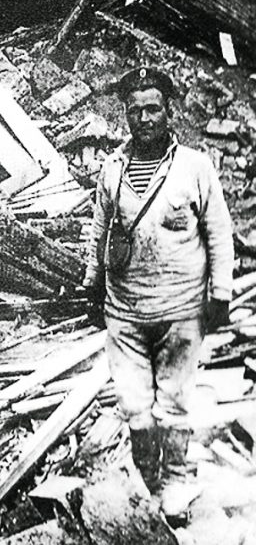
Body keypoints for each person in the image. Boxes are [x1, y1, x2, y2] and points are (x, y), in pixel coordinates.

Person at [83, 66, 234, 522]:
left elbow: (219, 232)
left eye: (153, 109)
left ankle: (178, 482)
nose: (144, 118)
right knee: (134, 404)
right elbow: (98, 232)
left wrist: (220, 293)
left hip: (181, 308)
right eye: (135, 110)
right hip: (125, 311)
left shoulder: (195, 167)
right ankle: (146, 488)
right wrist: (91, 284)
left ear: (169, 113)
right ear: (125, 116)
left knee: (174, 401)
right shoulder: (112, 170)